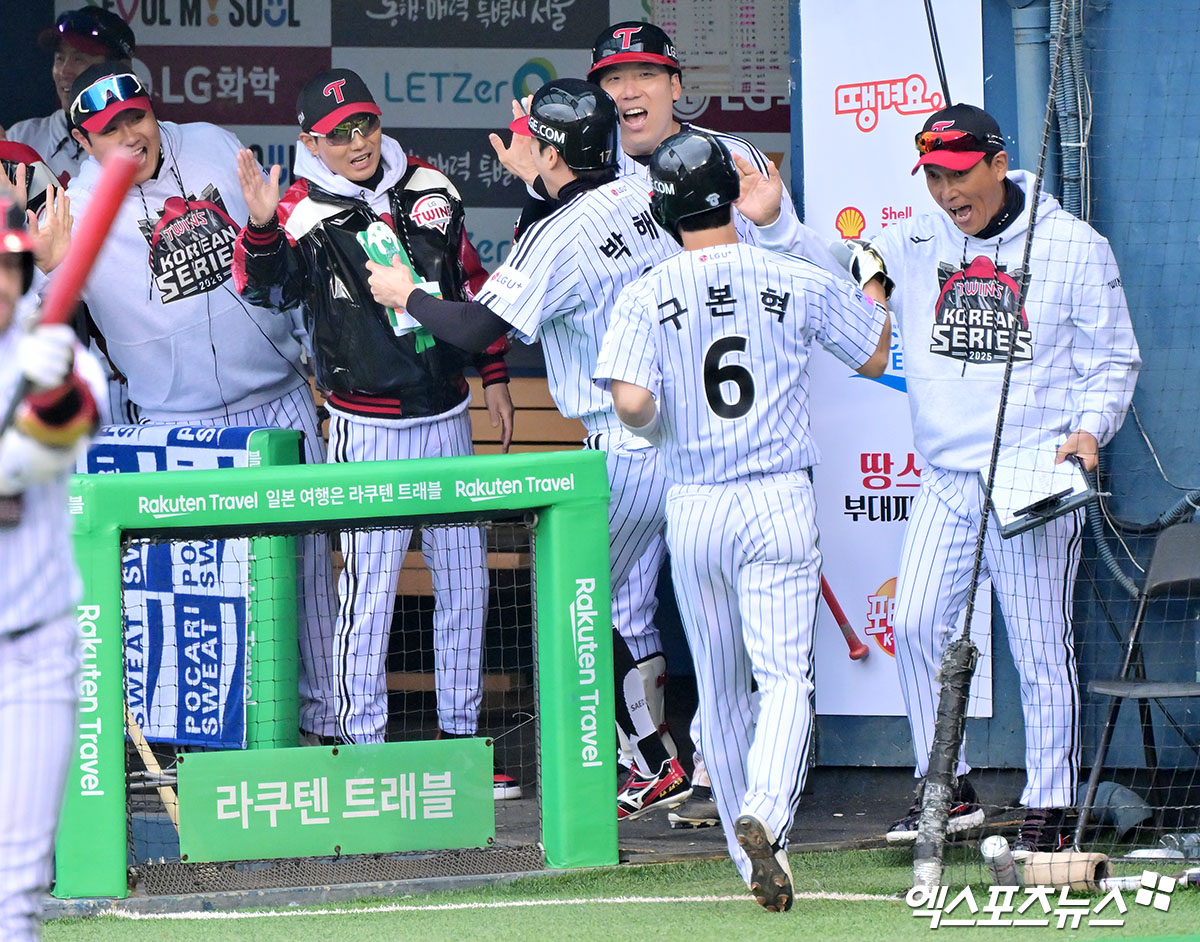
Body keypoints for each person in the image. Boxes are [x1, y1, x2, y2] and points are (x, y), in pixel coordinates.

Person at [365, 78, 694, 819]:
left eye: (529, 138)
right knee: (625, 605)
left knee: (573, 597)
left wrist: (404, 293)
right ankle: (668, 761)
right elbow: (554, 235)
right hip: (694, 441)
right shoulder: (642, 191)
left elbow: (479, 330)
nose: (516, 144)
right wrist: (537, 177)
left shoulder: (559, 230)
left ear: (548, 148)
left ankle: (652, 760)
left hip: (629, 445)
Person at [593, 130, 890, 910]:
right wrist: (876, 281)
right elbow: (873, 353)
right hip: (776, 500)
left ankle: (745, 852)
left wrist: (664, 428)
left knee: (722, 690)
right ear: (730, 196)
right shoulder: (787, 272)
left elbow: (628, 402)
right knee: (785, 674)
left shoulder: (645, 289)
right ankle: (769, 817)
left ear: (662, 208)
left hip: (695, 503)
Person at [831, 104, 1140, 855]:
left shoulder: (1071, 245)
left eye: (959, 174)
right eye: (933, 176)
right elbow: (863, 254)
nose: (946, 192)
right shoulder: (917, 236)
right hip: (946, 473)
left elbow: (1114, 361)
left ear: (998, 166)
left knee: (1038, 645)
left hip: (1036, 473)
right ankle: (947, 786)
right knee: (912, 624)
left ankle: (1050, 805)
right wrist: (865, 283)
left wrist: (1090, 428)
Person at [232, 69, 520, 798]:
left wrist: (494, 377)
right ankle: (362, 754)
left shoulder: (432, 185)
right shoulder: (297, 207)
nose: (357, 143)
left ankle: (462, 745)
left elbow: (471, 285)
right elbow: (266, 293)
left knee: (465, 587)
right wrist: (261, 227)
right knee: (371, 595)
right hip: (367, 426)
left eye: (365, 126)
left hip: (448, 414)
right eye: (339, 135)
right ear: (311, 144)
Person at [50, 62, 339, 747]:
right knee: (200, 600)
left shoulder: (209, 142)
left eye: (136, 119)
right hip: (182, 429)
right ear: (85, 143)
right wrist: (42, 269)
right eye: (108, 131)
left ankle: (329, 731)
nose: (128, 137)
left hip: (278, 401)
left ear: (154, 112)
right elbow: (35, 320)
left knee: (311, 583)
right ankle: (206, 752)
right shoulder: (78, 208)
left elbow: (279, 256)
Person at [0, 196, 104, 941]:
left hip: (31, 653)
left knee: (16, 886)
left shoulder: (55, 353)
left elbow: (67, 429)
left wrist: (46, 392)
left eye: (7, 266)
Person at [2, 7, 137, 183]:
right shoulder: (21, 138)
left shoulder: (141, 141)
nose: (64, 71)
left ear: (120, 68)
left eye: (79, 59)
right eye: (59, 58)